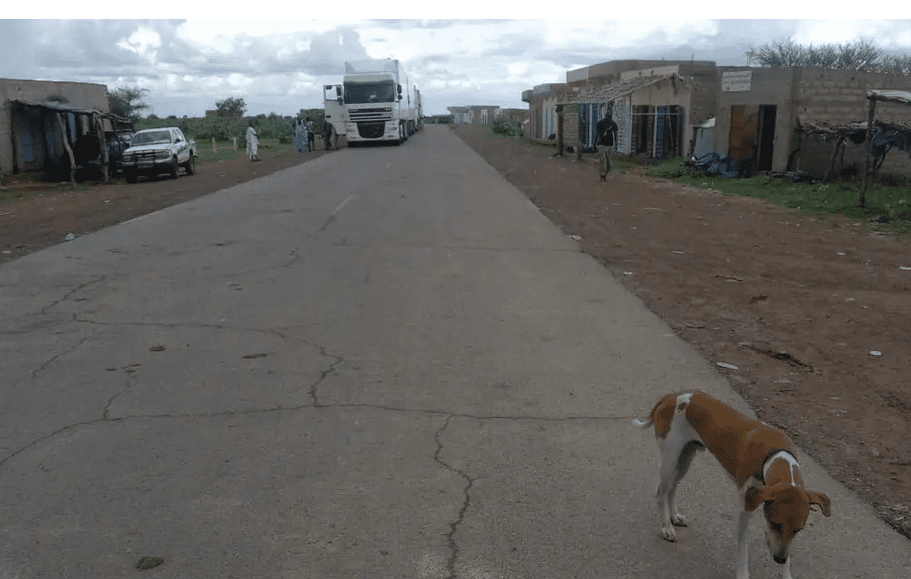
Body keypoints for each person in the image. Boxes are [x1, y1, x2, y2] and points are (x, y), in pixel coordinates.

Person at [595, 112, 618, 181]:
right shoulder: (613, 123)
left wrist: (595, 142)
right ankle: (605, 174)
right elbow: (616, 135)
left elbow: (597, 134)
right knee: (608, 161)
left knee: (602, 160)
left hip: (602, 144)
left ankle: (602, 174)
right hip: (610, 144)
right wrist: (616, 144)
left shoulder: (600, 123)